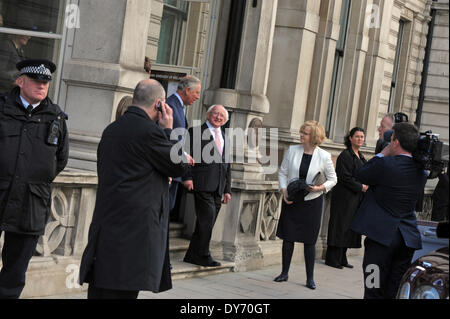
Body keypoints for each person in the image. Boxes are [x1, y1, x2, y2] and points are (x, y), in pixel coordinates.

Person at [78, 79, 193, 299]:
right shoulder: (150, 132)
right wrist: (168, 131)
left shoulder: (112, 128)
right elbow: (178, 165)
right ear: (160, 104)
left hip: (108, 226)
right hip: (133, 233)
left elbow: (133, 169)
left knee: (102, 291)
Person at [0, 59, 69, 299]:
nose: (42, 86)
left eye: (46, 82)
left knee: (15, 271)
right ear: (20, 81)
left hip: (31, 203)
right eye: (36, 81)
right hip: (1, 192)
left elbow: (60, 159)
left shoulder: (56, 117)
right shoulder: (2, 108)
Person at [351, 122, 427, 299]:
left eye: (391, 140)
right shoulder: (421, 172)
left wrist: (382, 154)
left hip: (379, 240)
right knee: (394, 289)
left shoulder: (385, 164)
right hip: (406, 240)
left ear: (396, 142)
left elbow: (361, 174)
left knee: (373, 285)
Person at [275, 120, 337, 290]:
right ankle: (284, 273)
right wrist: (283, 190)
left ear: (314, 136)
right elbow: (282, 173)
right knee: (288, 238)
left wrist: (320, 187)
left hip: (312, 202)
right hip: (292, 199)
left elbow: (333, 179)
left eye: (305, 133)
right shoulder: (292, 150)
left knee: (310, 241)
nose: (301, 135)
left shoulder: (324, 156)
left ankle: (310, 278)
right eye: (301, 132)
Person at [182, 105, 231, 267]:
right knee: (207, 220)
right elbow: (185, 155)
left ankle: (191, 255)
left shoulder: (225, 136)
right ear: (208, 114)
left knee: (206, 222)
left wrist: (227, 190)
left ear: (225, 120)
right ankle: (203, 255)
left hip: (218, 187)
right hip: (202, 183)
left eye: (222, 115)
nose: (218, 117)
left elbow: (227, 165)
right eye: (215, 113)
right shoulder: (194, 132)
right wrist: (187, 177)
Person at [326, 127, 368, 269]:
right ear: (350, 138)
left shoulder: (360, 156)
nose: (360, 139)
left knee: (349, 227)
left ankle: (342, 257)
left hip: (355, 198)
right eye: (357, 136)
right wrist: (361, 187)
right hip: (344, 197)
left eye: (362, 137)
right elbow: (344, 177)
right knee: (340, 225)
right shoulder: (345, 155)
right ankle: (332, 258)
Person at [166, 75, 201, 221]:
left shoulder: (179, 106)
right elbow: (166, 139)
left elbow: (178, 141)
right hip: (167, 173)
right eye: (196, 93)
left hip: (174, 173)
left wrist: (184, 154)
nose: (198, 97)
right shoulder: (170, 106)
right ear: (187, 90)